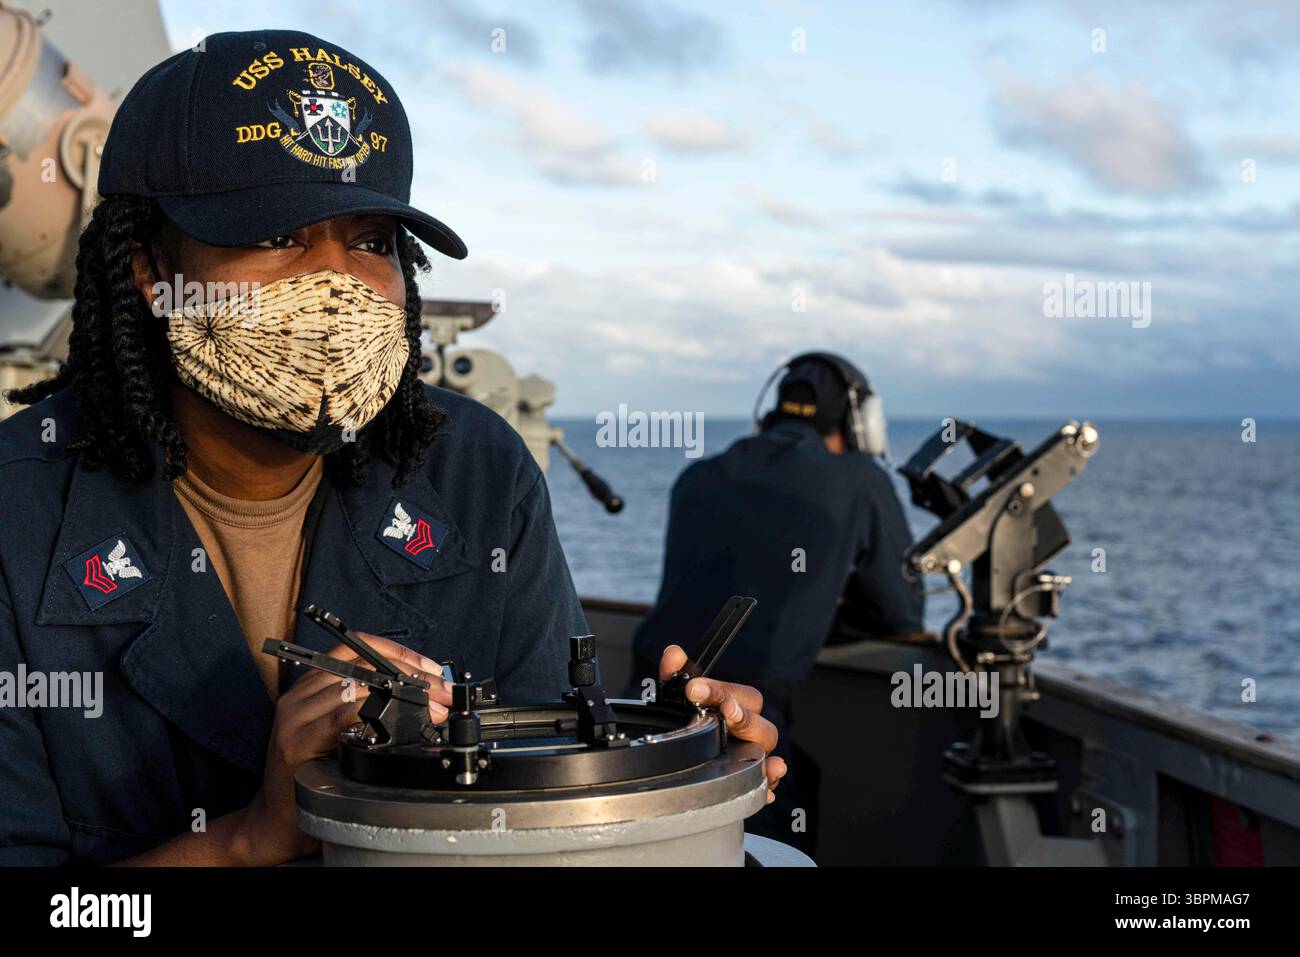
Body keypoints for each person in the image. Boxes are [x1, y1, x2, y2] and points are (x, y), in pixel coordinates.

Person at [0, 29, 784, 866]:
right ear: (151, 272)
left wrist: (665, 762)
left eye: (371, 242)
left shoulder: (474, 471)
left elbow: (542, 799)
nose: (335, 283)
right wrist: (247, 840)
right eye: (276, 236)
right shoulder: (19, 518)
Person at [632, 352, 924, 858]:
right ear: (859, 423)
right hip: (745, 722)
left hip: (642, 708)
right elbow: (900, 611)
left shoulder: (698, 476)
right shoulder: (859, 478)